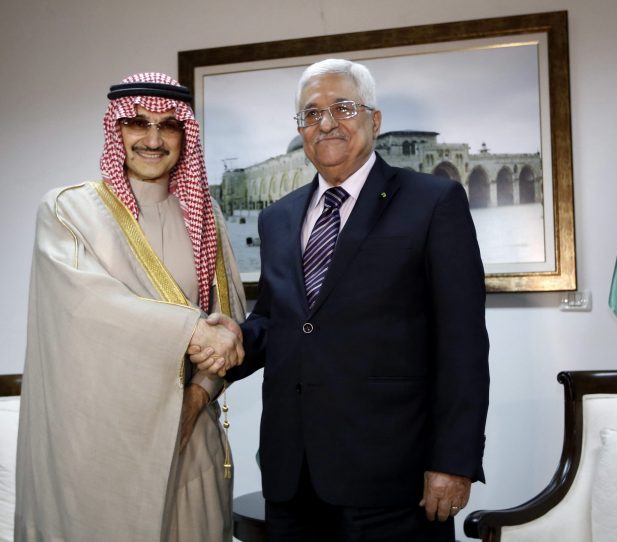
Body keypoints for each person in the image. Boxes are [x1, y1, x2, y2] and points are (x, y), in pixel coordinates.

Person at [202, 58, 490, 541]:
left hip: (394, 478)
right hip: (293, 478)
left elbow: (463, 343)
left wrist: (453, 460)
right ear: (300, 129)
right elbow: (278, 322)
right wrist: (233, 340)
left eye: (343, 108)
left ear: (374, 120)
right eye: (311, 114)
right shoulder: (278, 218)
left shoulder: (433, 202)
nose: (327, 123)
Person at [15, 72, 246, 541]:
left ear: (184, 134)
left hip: (191, 437)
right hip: (102, 443)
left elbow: (229, 321)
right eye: (137, 123)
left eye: (168, 126)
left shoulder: (208, 216)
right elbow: (86, 310)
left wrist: (196, 398)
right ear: (115, 129)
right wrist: (192, 330)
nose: (153, 140)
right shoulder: (69, 210)